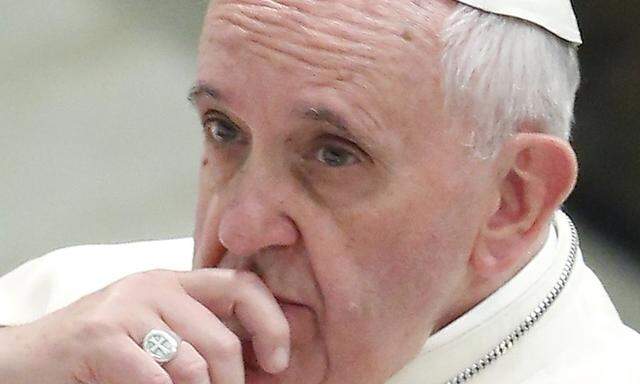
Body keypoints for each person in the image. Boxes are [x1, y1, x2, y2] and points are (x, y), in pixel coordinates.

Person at [1, 0, 638, 383]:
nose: (238, 230)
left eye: (334, 155)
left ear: (509, 202)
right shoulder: (64, 324)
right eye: (225, 131)